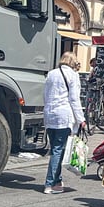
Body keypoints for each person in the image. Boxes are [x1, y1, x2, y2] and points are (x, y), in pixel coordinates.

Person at [42, 52, 86, 194]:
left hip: (49, 115)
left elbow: (45, 95)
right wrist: (81, 119)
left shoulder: (51, 74)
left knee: (55, 149)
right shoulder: (73, 76)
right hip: (63, 115)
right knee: (58, 150)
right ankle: (49, 183)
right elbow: (74, 99)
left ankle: (57, 181)